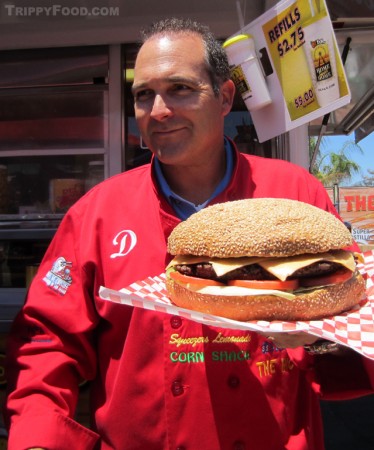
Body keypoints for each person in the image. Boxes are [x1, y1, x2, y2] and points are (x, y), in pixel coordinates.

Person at [4, 17, 374, 450]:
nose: (158, 110)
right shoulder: (98, 212)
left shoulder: (296, 192)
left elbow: (354, 315)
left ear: (224, 97)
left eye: (180, 88)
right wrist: (38, 438)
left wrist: (319, 342)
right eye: (144, 95)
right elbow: (47, 343)